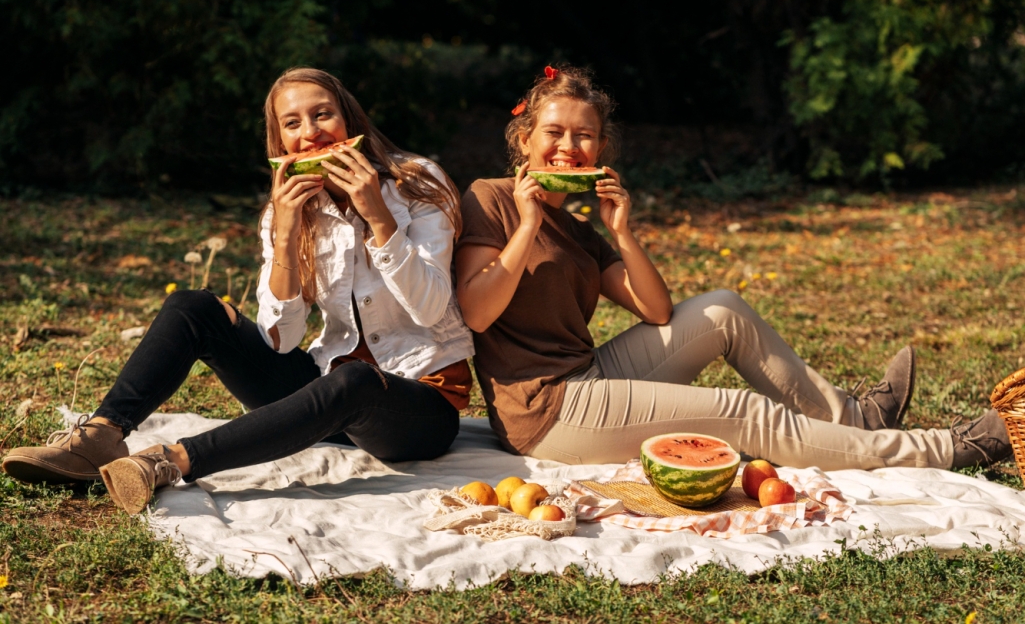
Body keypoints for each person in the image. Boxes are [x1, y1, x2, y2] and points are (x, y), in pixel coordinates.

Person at [454, 64, 1011, 471]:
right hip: (547, 412)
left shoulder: (579, 229)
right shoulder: (492, 198)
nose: (568, 147)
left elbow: (655, 309)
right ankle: (951, 448)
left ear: (601, 149)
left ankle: (854, 417)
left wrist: (621, 231)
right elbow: (477, 314)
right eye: (554, 133)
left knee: (722, 308)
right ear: (524, 138)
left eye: (585, 136)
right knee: (742, 412)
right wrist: (526, 226)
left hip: (590, 375)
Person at [3, 67, 474, 513]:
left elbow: (432, 309)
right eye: (292, 123)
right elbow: (281, 341)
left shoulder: (416, 182)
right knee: (192, 306)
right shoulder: (288, 210)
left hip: (418, 405)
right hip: (322, 390)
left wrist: (379, 218)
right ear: (280, 140)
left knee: (352, 382)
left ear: (350, 119)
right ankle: (101, 436)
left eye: (322, 114)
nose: (310, 132)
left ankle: (171, 461)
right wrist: (286, 234)